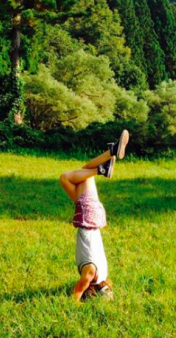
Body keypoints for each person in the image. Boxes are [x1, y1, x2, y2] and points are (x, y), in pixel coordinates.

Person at [59, 129, 129, 302]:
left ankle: (110, 154)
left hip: (91, 217)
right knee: (65, 177)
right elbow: (84, 281)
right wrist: (75, 299)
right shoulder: (92, 273)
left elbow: (87, 278)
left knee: (84, 172)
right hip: (88, 217)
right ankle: (102, 169)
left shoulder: (102, 272)